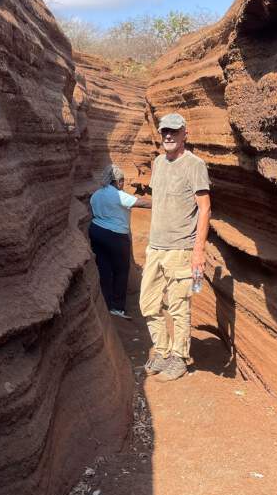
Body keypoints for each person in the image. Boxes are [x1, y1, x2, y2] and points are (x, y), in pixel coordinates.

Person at [141, 112, 211, 382]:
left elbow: (204, 209)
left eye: (173, 131)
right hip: (155, 248)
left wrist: (198, 251)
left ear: (185, 134)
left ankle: (179, 358)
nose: (168, 136)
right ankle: (161, 351)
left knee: (179, 306)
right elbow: (158, 202)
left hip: (181, 250)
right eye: (164, 132)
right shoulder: (158, 162)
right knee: (148, 303)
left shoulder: (195, 165)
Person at [89, 164, 151, 319]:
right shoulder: (117, 194)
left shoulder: (96, 194)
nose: (123, 183)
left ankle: (106, 303)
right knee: (121, 271)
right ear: (116, 181)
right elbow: (140, 203)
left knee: (104, 269)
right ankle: (117, 308)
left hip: (96, 232)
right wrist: (162, 203)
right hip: (116, 236)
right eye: (122, 180)